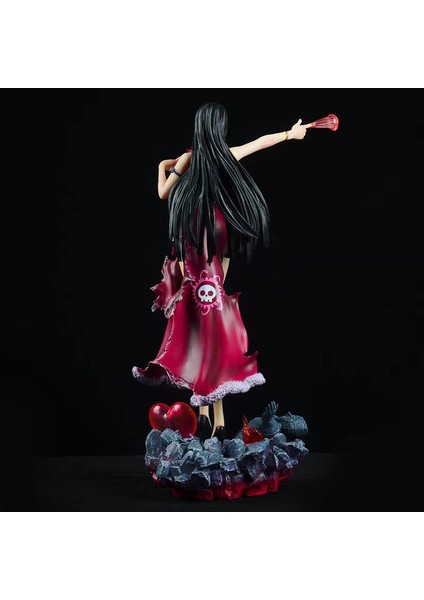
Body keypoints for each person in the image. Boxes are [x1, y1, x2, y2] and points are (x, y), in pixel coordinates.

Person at [132, 101, 308, 441]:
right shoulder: (225, 156)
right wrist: (291, 133)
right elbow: (260, 143)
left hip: (191, 240)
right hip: (216, 236)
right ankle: (217, 419)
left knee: (198, 329)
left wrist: (162, 165)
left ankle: (204, 417)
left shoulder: (189, 159)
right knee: (212, 321)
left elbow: (162, 192)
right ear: (220, 129)